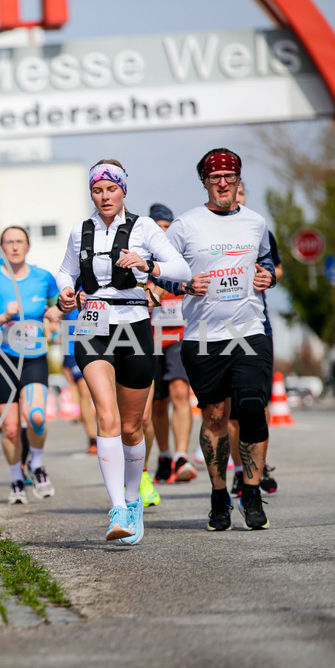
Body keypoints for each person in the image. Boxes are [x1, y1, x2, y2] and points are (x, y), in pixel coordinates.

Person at [57, 160, 191, 545]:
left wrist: (146, 264)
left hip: (133, 326)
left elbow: (180, 269)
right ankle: (116, 508)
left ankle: (133, 501)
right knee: (107, 414)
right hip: (92, 326)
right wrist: (66, 292)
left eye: (110, 190)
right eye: (97, 191)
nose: (104, 197)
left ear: (123, 191)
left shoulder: (144, 227)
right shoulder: (79, 230)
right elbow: (65, 272)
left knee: (133, 426)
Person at [164, 148, 277, 531]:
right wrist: (181, 284)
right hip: (203, 335)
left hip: (247, 331)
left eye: (230, 176)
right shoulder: (185, 225)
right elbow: (158, 270)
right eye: (216, 178)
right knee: (214, 415)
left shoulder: (256, 222)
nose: (224, 184)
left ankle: (249, 490)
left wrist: (269, 277)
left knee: (250, 407)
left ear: (238, 179)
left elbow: (268, 262)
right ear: (205, 183)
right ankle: (218, 495)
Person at [0, 225, 61, 504]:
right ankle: (16, 480)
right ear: (1, 248)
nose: (14, 246)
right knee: (10, 428)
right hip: (0, 358)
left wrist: (52, 319)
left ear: (28, 246)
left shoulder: (43, 278)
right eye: (8, 242)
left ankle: (37, 464)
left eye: (19, 241)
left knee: (36, 416)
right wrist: (1, 317)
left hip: (34, 357)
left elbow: (60, 306)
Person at [228, 182, 280, 498]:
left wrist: (268, 277)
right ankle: (237, 470)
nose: (236, 198)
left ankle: (258, 467)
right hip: (216, 329)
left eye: (241, 193)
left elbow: (277, 268)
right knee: (229, 410)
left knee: (257, 405)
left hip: (256, 324)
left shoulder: (258, 229)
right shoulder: (206, 233)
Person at [145, 203, 197, 487]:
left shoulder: (179, 259)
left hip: (178, 334)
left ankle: (181, 455)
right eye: (159, 229)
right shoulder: (142, 260)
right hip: (150, 337)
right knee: (156, 402)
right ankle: (164, 456)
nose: (164, 234)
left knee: (180, 391)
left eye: (168, 228)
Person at [60, 307, 97, 454]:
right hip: (73, 347)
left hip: (100, 342)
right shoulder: (68, 285)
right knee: (85, 390)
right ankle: (92, 438)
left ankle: (109, 433)